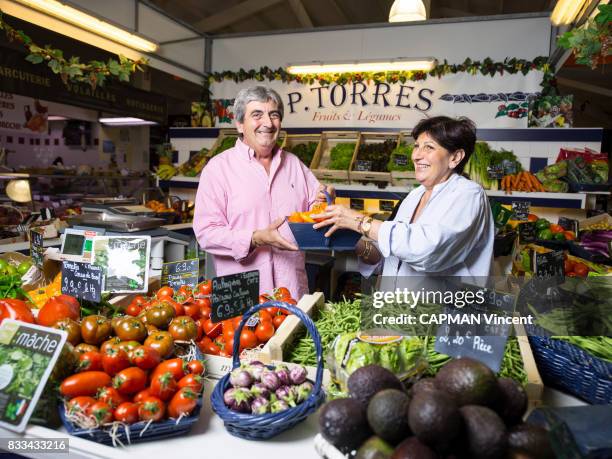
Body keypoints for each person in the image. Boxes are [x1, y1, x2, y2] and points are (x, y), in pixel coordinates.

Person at [193, 86, 334, 299]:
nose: (267, 123)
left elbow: (316, 207)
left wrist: (325, 198)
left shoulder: (294, 165)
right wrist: (255, 238)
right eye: (257, 115)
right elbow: (206, 233)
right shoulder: (218, 169)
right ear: (240, 124)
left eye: (274, 115)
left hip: (292, 292)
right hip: (241, 294)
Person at [314, 116, 494, 278]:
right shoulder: (414, 196)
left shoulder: (468, 195)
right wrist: (349, 234)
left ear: (455, 157)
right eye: (417, 146)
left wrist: (359, 221)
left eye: (429, 147)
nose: (416, 156)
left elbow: (426, 251)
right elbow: (391, 260)